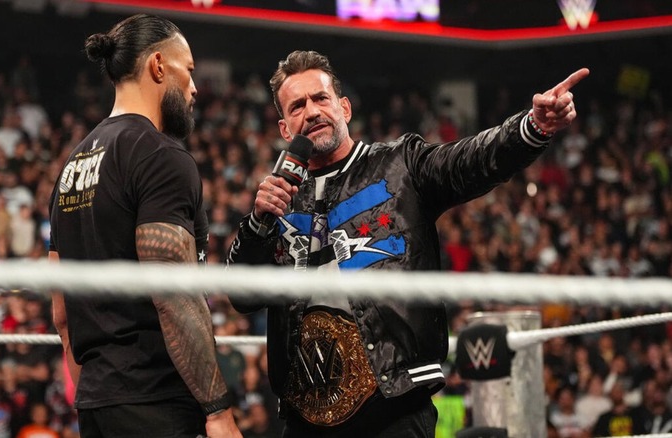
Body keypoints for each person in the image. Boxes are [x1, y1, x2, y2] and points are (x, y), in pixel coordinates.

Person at [226, 50, 588, 437]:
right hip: (305, 418)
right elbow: (241, 295)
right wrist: (258, 222)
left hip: (393, 403)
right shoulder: (279, 199)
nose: (311, 111)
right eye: (297, 106)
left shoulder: (400, 165)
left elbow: (474, 160)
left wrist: (531, 126)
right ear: (285, 130)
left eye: (320, 98)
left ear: (344, 108)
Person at [48, 14, 241, 438]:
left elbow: (63, 312)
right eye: (188, 72)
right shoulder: (160, 156)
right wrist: (218, 411)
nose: (194, 89)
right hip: (157, 401)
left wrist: (98, 397)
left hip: (98, 402)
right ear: (157, 66)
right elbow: (174, 296)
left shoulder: (71, 168)